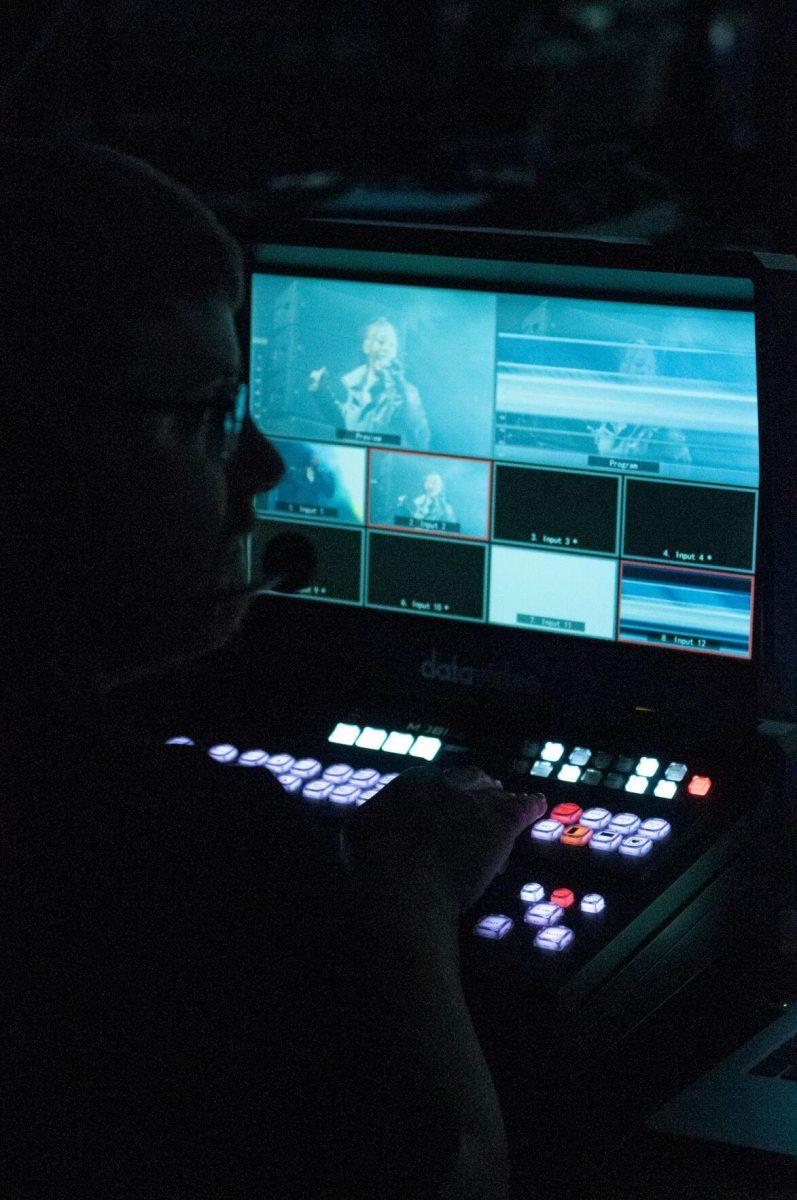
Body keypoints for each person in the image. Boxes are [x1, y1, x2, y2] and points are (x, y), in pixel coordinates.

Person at [1, 138, 546, 1200]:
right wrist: (410, 899)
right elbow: (454, 1177)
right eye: (205, 414)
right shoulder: (177, 851)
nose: (261, 467)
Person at [308, 317, 431, 449]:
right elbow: (347, 426)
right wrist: (321, 391)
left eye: (392, 345)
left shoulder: (405, 393)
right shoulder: (354, 386)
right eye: (381, 342)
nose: (387, 349)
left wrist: (402, 389)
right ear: (366, 346)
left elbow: (421, 440)